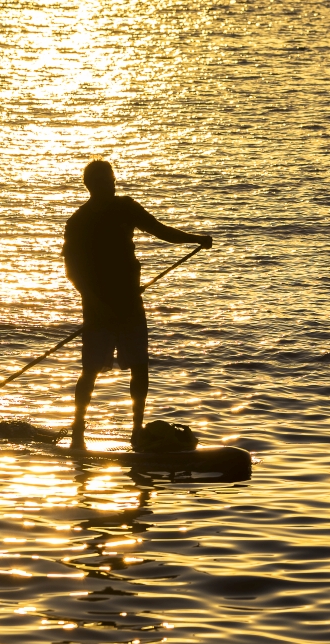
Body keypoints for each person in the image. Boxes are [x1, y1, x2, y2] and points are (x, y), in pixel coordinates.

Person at [62, 159, 212, 452]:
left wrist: (195, 239)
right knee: (91, 370)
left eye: (113, 179)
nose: (113, 184)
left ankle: (136, 431)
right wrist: (93, 301)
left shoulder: (126, 207)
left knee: (140, 368)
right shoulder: (77, 222)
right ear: (92, 185)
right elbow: (72, 269)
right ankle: (78, 431)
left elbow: (160, 230)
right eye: (106, 180)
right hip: (97, 307)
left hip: (130, 301)